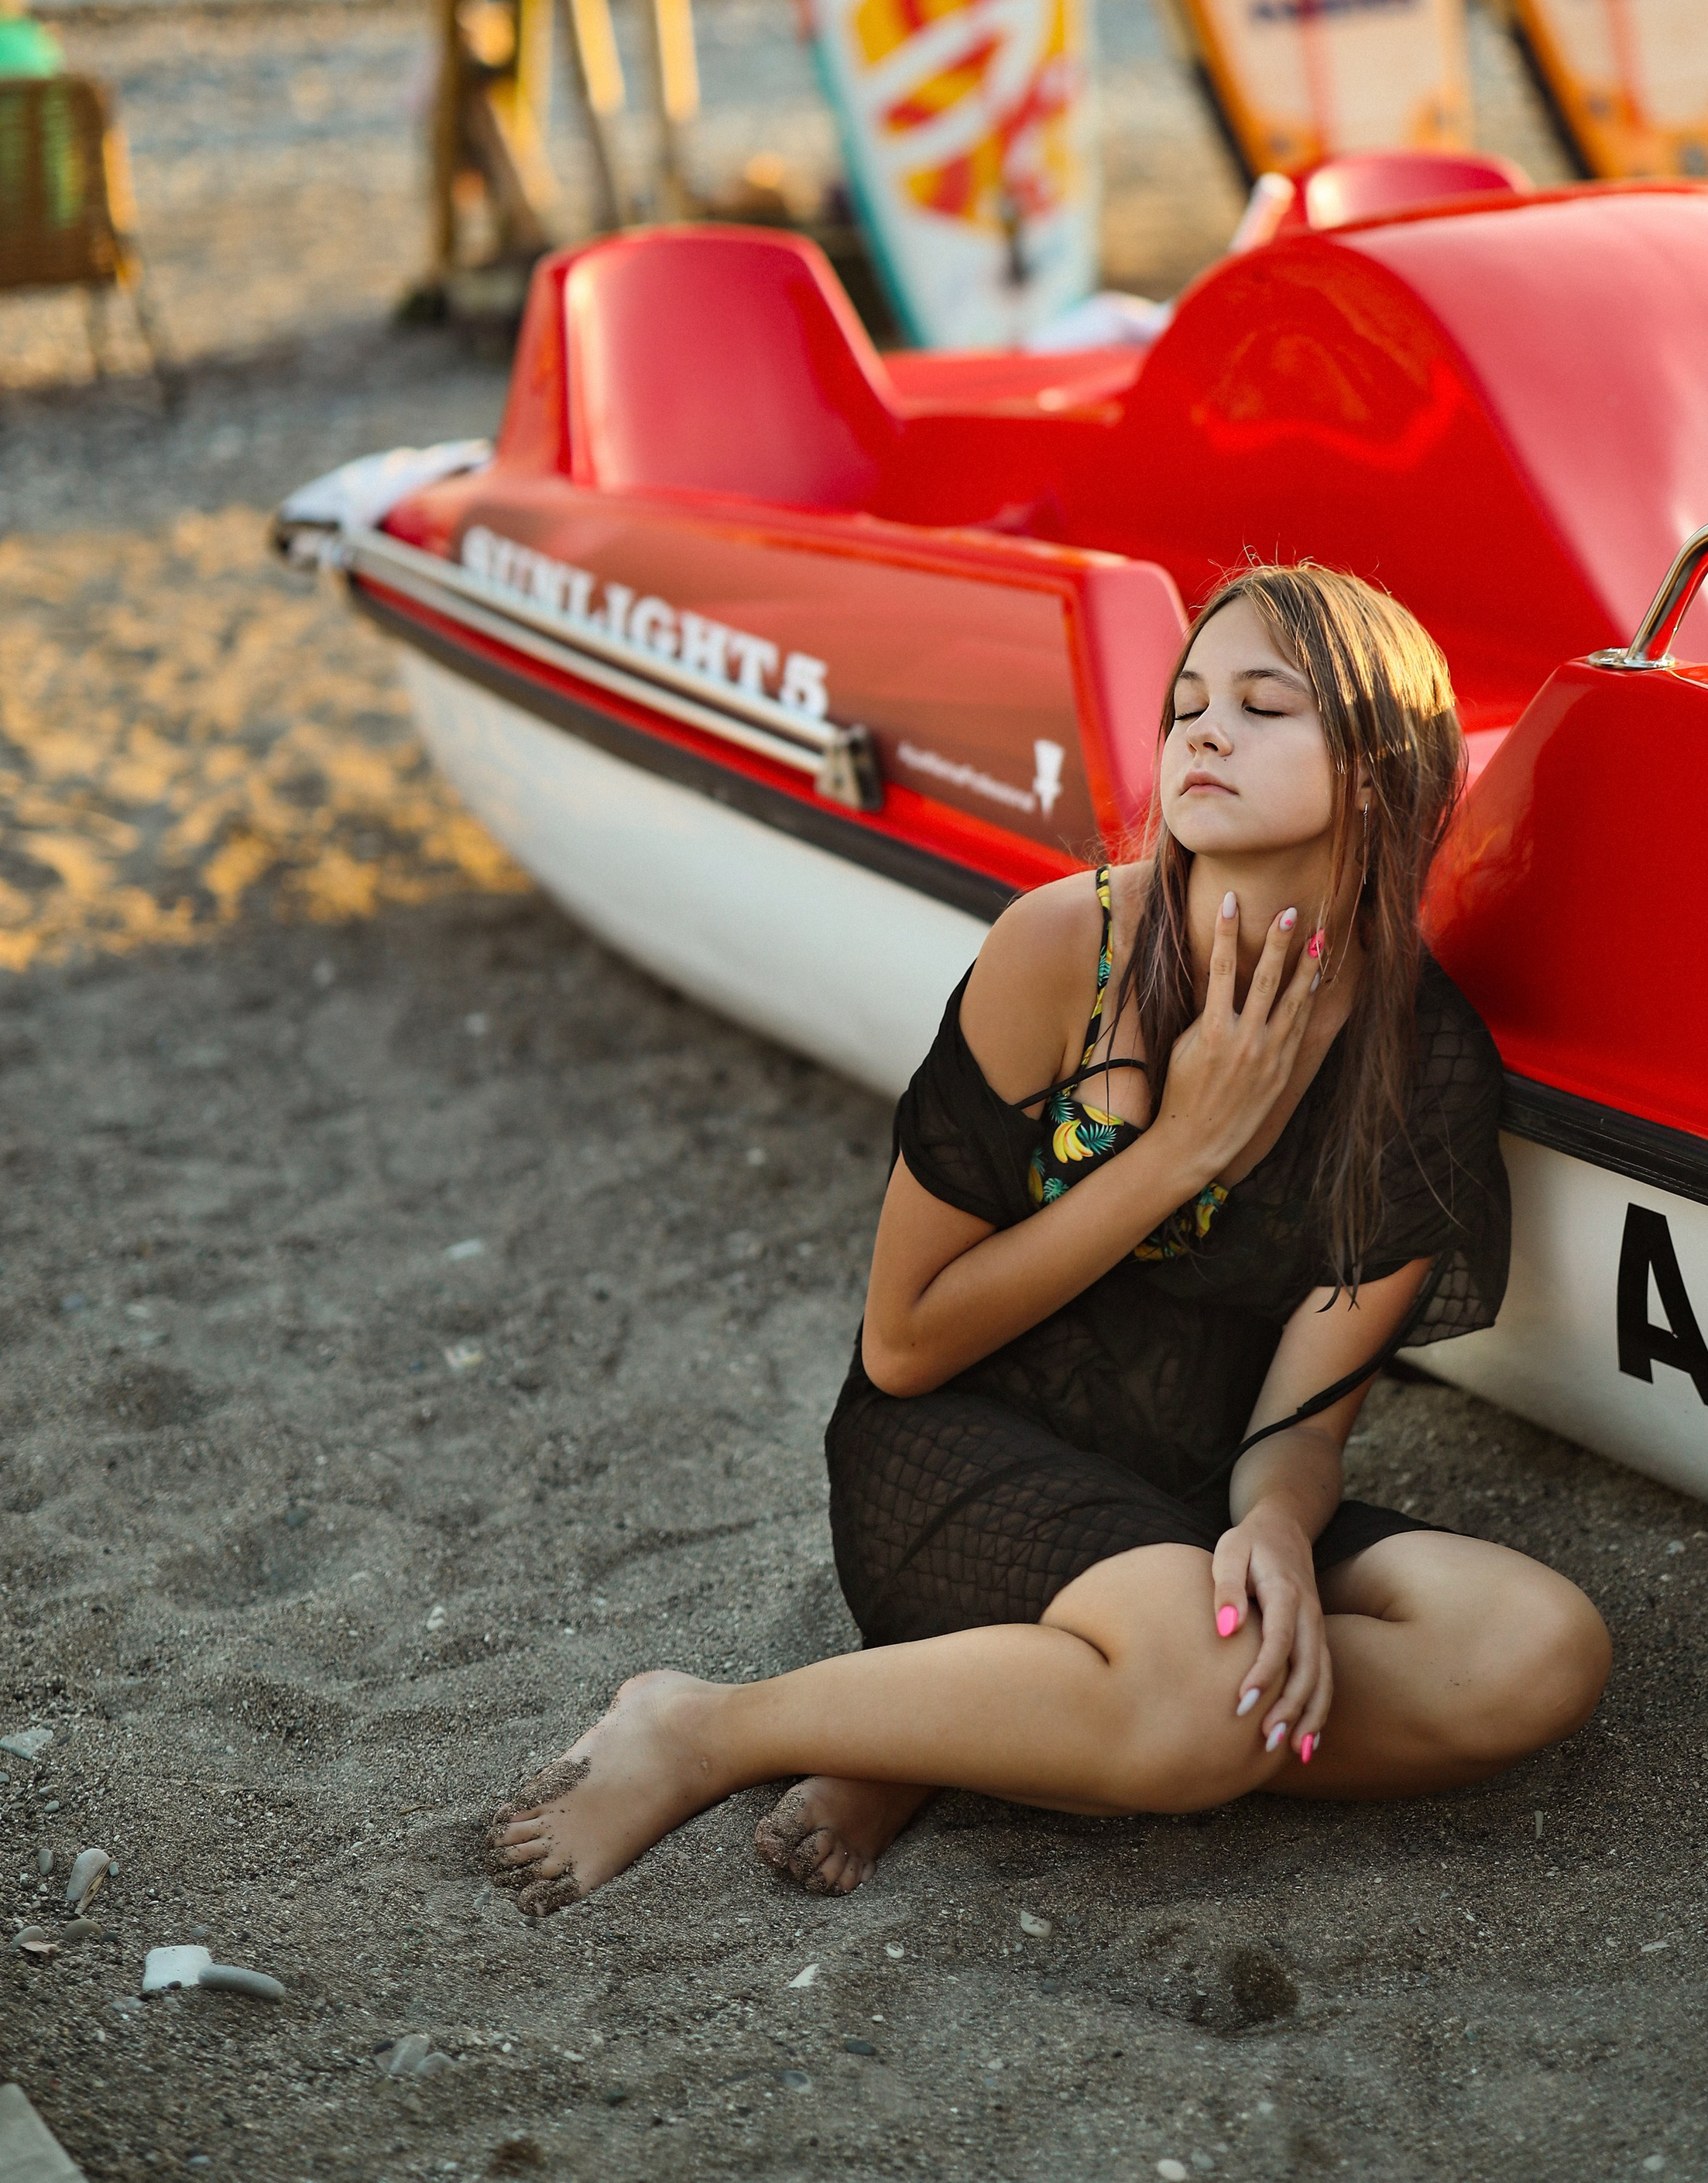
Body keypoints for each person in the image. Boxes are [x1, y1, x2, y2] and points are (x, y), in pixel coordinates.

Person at [488, 563, 1610, 1915]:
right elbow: (905, 1344)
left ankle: (963, 1731)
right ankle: (707, 1724)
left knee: (1535, 1649)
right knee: (1207, 1694)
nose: (1203, 732)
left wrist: (1271, 1524)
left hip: (1193, 1492)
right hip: (964, 1450)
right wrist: (1183, 1147)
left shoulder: (1419, 1059)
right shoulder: (1067, 950)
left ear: (1376, 773)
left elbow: (1304, 1422)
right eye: (1187, 705)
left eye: (1262, 707)